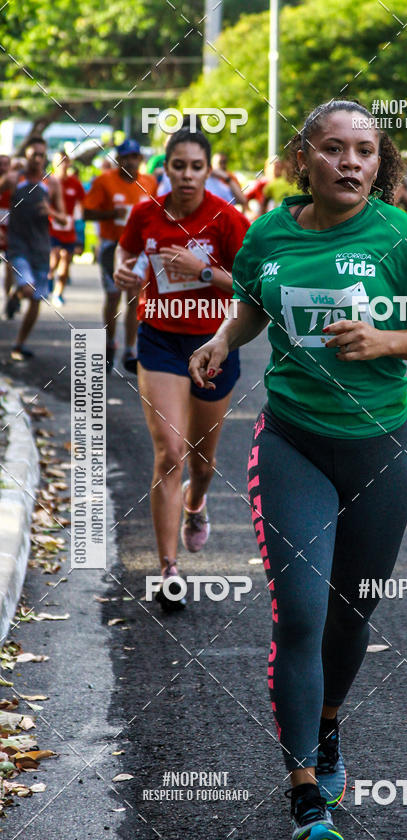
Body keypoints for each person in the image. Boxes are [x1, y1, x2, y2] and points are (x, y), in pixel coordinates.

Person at [188, 99, 407, 840]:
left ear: (380, 164)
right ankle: (305, 792)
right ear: (302, 159)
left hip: (379, 448)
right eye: (334, 149)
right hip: (293, 443)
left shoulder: (402, 236)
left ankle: (326, 724)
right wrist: (223, 338)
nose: (352, 162)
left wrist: (387, 338)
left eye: (366, 151)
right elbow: (252, 302)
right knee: (303, 614)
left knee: (352, 618)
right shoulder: (271, 233)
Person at [113, 127, 249, 611]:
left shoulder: (228, 218)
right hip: (161, 341)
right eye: (178, 166)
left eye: (196, 166)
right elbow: (125, 250)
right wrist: (121, 270)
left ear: (208, 170)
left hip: (213, 345)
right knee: (169, 451)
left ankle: (196, 503)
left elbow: (254, 288)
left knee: (202, 463)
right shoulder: (146, 212)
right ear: (165, 169)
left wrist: (202, 271)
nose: (187, 175)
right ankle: (168, 569)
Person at [84, 139, 157, 372]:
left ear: (140, 160)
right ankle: (109, 343)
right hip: (111, 246)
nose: (131, 161)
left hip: (139, 249)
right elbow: (85, 213)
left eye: (135, 157)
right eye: (126, 157)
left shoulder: (150, 182)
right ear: (118, 159)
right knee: (113, 296)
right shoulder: (104, 181)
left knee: (134, 297)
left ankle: (130, 349)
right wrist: (110, 214)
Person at [2, 136, 67, 360]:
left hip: (41, 249)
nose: (38, 159)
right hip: (18, 245)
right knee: (28, 289)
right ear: (26, 156)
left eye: (41, 155)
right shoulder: (14, 179)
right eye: (34, 155)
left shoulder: (52, 183)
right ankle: (16, 293)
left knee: (37, 299)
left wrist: (51, 212)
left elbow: (63, 217)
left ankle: (19, 344)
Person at [49, 152, 86, 306]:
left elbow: (82, 203)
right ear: (53, 163)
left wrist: (80, 221)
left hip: (69, 229)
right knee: (55, 256)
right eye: (59, 162)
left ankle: (58, 293)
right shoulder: (48, 182)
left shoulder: (75, 183)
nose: (63, 165)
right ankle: (49, 276)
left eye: (65, 161)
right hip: (51, 227)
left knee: (66, 259)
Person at [0, 154, 13, 303]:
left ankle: (9, 298)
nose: (2, 167)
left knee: (11, 268)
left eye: (5, 164)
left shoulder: (15, 186)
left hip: (11, 234)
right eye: (0, 164)